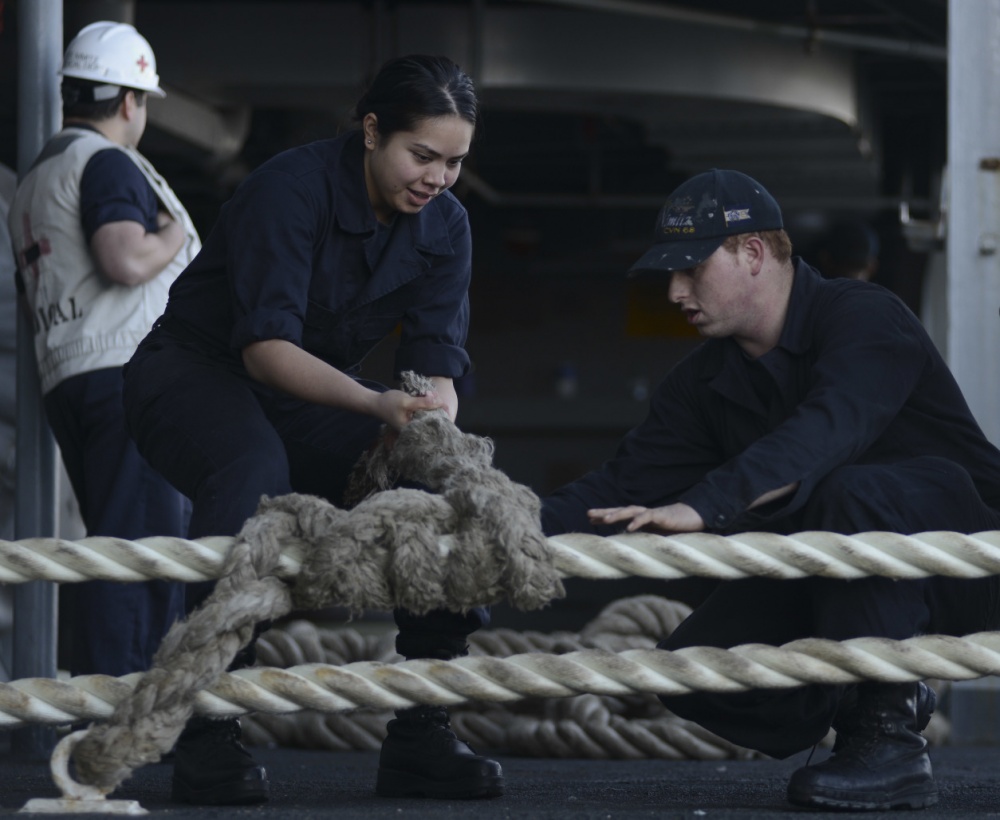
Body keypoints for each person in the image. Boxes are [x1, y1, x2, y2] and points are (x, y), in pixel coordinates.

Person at [542, 169, 1000, 812]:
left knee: (847, 490)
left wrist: (706, 504)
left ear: (752, 253)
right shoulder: (704, 384)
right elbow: (621, 484)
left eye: (691, 269)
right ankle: (868, 692)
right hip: (831, 575)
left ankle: (887, 737)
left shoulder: (866, 317)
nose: (674, 292)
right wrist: (507, 529)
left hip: (963, 567)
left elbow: (826, 432)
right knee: (694, 675)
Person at [121, 54, 502, 805]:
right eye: (422, 155)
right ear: (372, 131)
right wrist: (377, 406)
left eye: (455, 162)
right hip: (193, 374)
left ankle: (422, 728)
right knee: (253, 475)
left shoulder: (447, 226)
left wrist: (431, 433)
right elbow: (265, 351)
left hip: (314, 393)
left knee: (440, 490)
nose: (438, 177)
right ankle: (207, 728)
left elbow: (437, 370)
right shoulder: (289, 190)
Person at [7, 22, 196, 679]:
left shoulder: (35, 180)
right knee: (143, 553)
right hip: (126, 377)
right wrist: (172, 235)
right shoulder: (106, 161)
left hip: (72, 378)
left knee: (114, 546)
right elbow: (124, 258)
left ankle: (103, 701)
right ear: (130, 102)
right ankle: (128, 711)